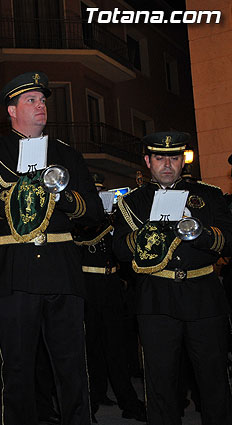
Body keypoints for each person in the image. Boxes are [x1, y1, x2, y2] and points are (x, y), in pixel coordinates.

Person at [0, 71, 102, 425]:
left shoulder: (66, 154)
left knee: (71, 366)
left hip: (61, 270)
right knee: (18, 368)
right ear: (12, 110)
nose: (41, 106)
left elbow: (95, 213)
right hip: (14, 270)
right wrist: (9, 197)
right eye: (31, 100)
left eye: (42, 100)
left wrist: (64, 196)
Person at [112, 131, 232, 425]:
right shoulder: (133, 203)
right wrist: (151, 233)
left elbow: (229, 242)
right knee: (161, 383)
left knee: (214, 380)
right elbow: (119, 250)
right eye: (159, 158)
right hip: (157, 298)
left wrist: (199, 233)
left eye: (174, 157)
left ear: (183, 161)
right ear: (148, 161)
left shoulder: (209, 195)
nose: (167, 164)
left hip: (203, 295)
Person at [74, 173, 145, 422]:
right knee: (91, 348)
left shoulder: (113, 221)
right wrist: (103, 219)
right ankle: (91, 402)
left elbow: (122, 252)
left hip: (112, 287)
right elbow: (85, 238)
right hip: (90, 289)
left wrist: (116, 220)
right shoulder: (81, 221)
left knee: (117, 347)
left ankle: (128, 402)